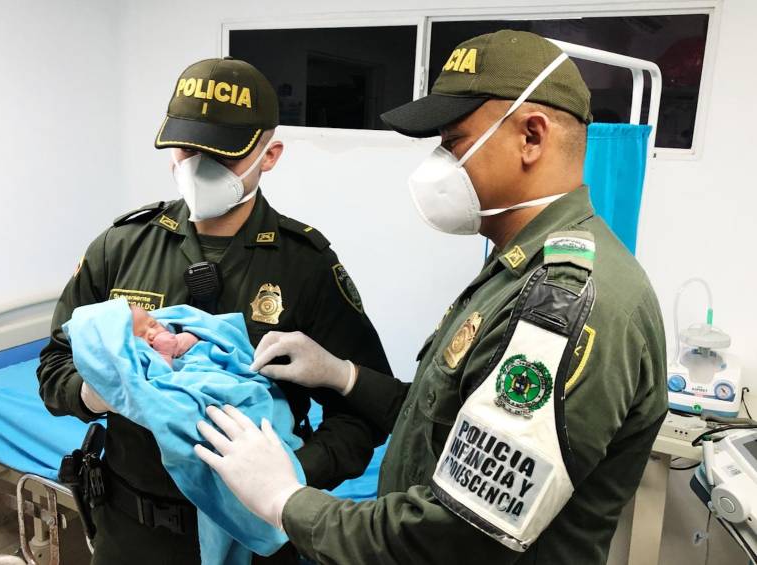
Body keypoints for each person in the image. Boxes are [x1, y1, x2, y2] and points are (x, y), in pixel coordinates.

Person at [194, 31, 668, 565]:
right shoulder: (513, 271)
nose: (437, 163)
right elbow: (443, 430)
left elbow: (459, 534)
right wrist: (342, 375)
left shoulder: (566, 303)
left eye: (454, 140)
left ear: (531, 136)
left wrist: (287, 502)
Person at [37, 57, 392, 565]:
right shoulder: (121, 248)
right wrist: (96, 394)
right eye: (188, 148)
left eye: (221, 154)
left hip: (256, 536)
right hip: (132, 533)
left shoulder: (305, 265)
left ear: (269, 156)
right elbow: (53, 369)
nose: (198, 166)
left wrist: (290, 475)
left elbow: (363, 412)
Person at [130, 305, 199, 366]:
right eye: (141, 335)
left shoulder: (171, 326)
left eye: (153, 325)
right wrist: (164, 355)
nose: (153, 333)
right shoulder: (136, 360)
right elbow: (161, 378)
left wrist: (191, 337)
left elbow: (203, 330)